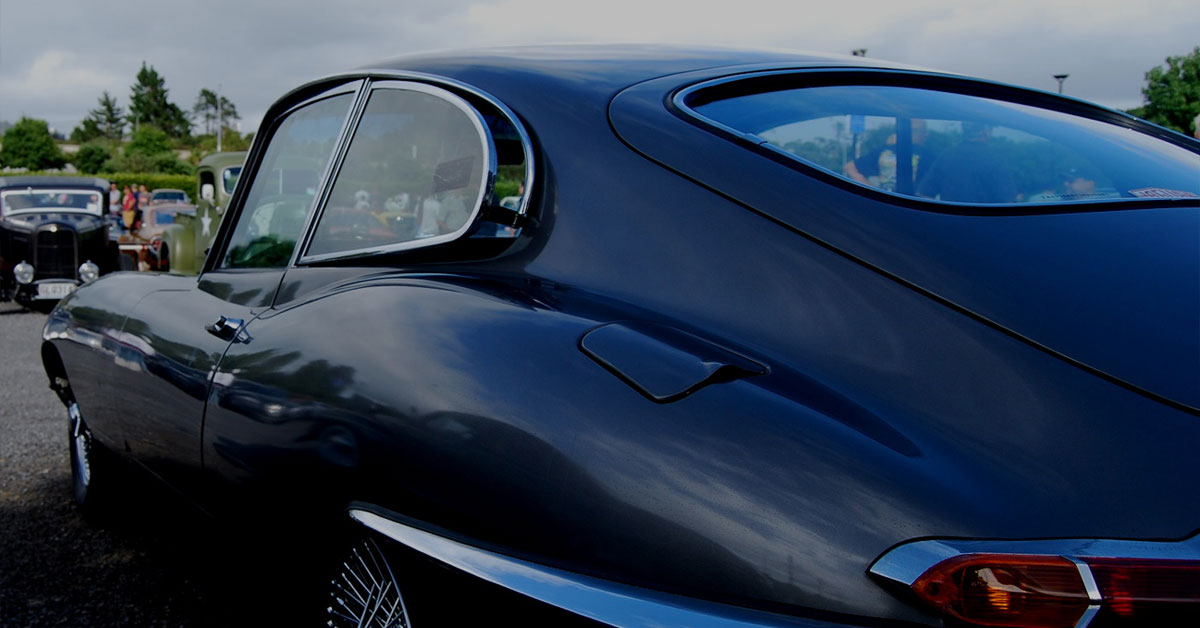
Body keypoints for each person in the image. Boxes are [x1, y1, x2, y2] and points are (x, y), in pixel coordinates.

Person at [917, 122, 1017, 203]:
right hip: (984, 225)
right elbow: (1008, 203)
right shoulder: (996, 160)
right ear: (986, 131)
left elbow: (924, 195)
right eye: (991, 128)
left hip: (948, 224)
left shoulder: (947, 155)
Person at [843, 119, 932, 194]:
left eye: (914, 131)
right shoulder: (885, 150)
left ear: (926, 135)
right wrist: (873, 191)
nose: (910, 134)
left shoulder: (930, 157)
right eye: (907, 130)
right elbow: (850, 168)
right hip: (884, 203)